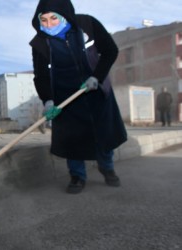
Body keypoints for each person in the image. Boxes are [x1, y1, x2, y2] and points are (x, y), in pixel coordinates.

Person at [29, 0, 127, 194]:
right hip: (66, 96)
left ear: (64, 14)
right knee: (71, 138)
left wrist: (96, 77)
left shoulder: (88, 24)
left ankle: (107, 167)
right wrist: (48, 101)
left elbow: (110, 51)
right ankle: (77, 176)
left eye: (53, 18)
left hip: (95, 89)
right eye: (44, 20)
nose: (49, 25)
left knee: (103, 134)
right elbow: (40, 76)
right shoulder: (40, 42)